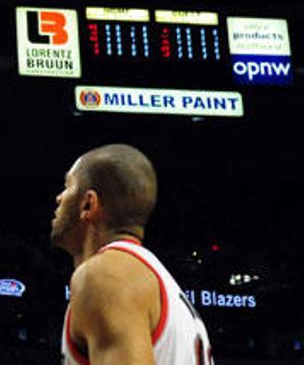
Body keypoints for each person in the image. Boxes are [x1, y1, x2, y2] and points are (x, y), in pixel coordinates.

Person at [51, 144, 213, 364]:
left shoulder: (106, 277)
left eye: (68, 186)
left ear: (89, 204)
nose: (59, 198)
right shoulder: (149, 279)